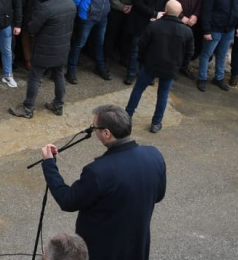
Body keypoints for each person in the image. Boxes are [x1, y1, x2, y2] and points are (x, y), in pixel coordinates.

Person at [41, 105, 166, 260]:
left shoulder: (97, 171)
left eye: (95, 128)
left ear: (107, 133)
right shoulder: (154, 155)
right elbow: (158, 195)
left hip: (103, 250)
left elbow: (67, 200)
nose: (94, 132)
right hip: (137, 246)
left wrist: (49, 164)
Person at [10, 0, 76, 118]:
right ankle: (58, 104)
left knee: (34, 77)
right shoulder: (70, 3)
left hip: (44, 49)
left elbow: (32, 28)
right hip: (62, 48)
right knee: (59, 75)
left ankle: (28, 108)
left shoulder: (46, 7)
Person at [125, 0, 194, 133]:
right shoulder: (187, 31)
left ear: (166, 11)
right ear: (180, 12)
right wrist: (180, 66)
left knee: (138, 89)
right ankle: (156, 123)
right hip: (170, 68)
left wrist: (142, 60)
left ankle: (127, 116)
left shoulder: (154, 25)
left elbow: (142, 44)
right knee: (163, 95)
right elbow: (189, 52)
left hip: (151, 65)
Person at [66, 0, 117, 83]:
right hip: (87, 17)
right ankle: (71, 70)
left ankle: (100, 67)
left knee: (99, 43)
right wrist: (83, 12)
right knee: (79, 43)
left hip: (102, 17)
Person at [196, 0, 238, 92]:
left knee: (222, 55)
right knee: (206, 54)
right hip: (214, 29)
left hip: (229, 29)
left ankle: (219, 78)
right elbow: (206, 11)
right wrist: (207, 30)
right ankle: (202, 78)